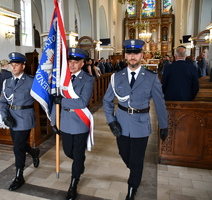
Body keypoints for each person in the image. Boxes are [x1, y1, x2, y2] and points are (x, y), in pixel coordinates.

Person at [103, 39, 168, 200]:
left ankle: (132, 188)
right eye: (130, 53)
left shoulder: (151, 78)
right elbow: (107, 100)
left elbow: (160, 103)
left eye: (136, 54)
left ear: (142, 55)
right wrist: (111, 121)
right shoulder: (117, 77)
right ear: (125, 55)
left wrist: (164, 125)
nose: (133, 57)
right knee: (124, 154)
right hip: (122, 123)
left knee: (137, 159)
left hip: (141, 124)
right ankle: (135, 172)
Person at [51, 48, 95, 200]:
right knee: (68, 152)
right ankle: (79, 162)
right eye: (70, 61)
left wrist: (62, 101)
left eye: (76, 62)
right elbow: (54, 103)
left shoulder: (88, 79)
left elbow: (82, 101)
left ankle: (73, 184)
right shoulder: (62, 79)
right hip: (65, 121)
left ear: (82, 64)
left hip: (80, 121)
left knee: (77, 155)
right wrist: (53, 121)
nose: (72, 65)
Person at [0, 52, 40, 191]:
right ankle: (33, 152)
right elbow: (2, 102)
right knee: (19, 144)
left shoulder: (31, 81)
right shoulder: (7, 82)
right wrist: (5, 116)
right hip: (12, 117)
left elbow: (43, 97)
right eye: (12, 64)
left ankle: (19, 176)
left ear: (23, 66)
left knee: (17, 148)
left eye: (16, 65)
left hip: (25, 117)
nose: (13, 67)